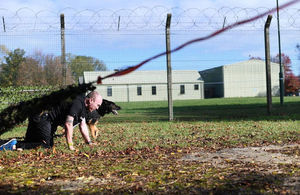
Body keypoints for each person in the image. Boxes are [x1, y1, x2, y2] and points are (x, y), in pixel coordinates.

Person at [1, 91, 103, 151]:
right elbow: (68, 124)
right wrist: (71, 146)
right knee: (47, 146)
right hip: (43, 116)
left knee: (32, 143)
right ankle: (14, 145)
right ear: (91, 100)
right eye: (97, 105)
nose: (97, 108)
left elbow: (83, 125)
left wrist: (89, 142)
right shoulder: (77, 103)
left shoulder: (83, 106)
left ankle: (5, 144)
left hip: (41, 114)